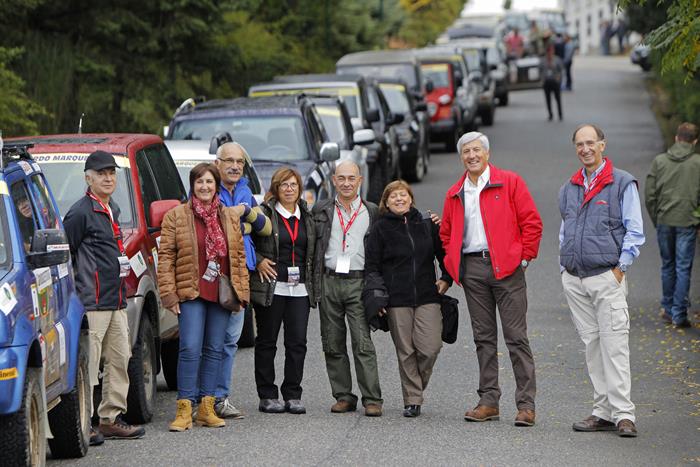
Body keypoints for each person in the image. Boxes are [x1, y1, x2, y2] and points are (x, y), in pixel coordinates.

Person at [439, 132, 542, 427]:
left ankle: (526, 405)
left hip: (508, 271)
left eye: (476, 150)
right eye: (466, 152)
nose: (471, 156)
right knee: (483, 338)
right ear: (462, 157)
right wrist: (453, 264)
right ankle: (488, 400)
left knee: (516, 337)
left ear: (486, 153)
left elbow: (532, 222)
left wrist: (523, 259)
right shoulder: (454, 193)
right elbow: (446, 234)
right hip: (473, 270)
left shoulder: (509, 182)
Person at [559, 124, 645, 438]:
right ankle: (603, 411)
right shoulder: (569, 186)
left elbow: (635, 231)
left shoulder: (621, 182)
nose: (585, 149)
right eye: (580, 144)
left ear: (602, 145)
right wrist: (562, 267)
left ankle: (624, 414)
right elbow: (565, 229)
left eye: (590, 143)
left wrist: (620, 269)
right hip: (575, 280)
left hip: (607, 276)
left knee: (615, 346)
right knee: (592, 347)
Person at [158, 162, 249, 432]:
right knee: (189, 348)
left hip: (220, 292)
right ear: (192, 186)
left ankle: (207, 408)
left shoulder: (229, 217)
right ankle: (185, 408)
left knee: (214, 349)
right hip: (191, 291)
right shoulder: (176, 216)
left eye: (209, 182)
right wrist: (169, 294)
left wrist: (241, 293)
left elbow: (239, 257)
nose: (205, 187)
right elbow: (165, 258)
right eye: (200, 182)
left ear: (216, 186)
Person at [63, 150, 145, 444]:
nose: (108, 178)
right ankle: (83, 423)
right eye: (101, 174)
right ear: (88, 178)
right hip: (92, 302)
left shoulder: (113, 208)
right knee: (89, 367)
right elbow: (66, 255)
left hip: (116, 299)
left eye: (112, 173)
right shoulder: (80, 212)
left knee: (121, 359)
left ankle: (110, 419)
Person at [365, 180, 451, 418]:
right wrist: (377, 296)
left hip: (427, 295)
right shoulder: (380, 228)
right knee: (406, 350)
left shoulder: (426, 223)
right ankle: (412, 399)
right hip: (396, 299)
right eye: (394, 196)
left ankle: (415, 388)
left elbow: (444, 253)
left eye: (403, 195)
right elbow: (372, 266)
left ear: (411, 198)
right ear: (386, 202)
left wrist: (446, 277)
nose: (399, 199)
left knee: (430, 347)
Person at [312, 161, 383, 416]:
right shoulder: (321, 210)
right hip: (329, 280)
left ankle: (372, 398)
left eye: (351, 178)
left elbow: (398, 222)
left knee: (362, 341)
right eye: (341, 178)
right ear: (333, 180)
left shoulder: (372, 211)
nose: (346, 183)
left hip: (358, 282)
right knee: (332, 342)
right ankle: (343, 395)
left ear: (360, 180)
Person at [212, 142, 271, 419]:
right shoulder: (208, 187)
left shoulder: (245, 189)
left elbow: (264, 226)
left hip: (242, 274)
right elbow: (218, 226)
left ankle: (221, 398)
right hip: (217, 274)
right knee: (211, 341)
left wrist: (244, 213)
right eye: (229, 161)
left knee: (231, 341)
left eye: (240, 162)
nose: (235, 166)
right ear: (217, 164)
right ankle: (206, 398)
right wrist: (247, 217)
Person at [252, 168, 316, 414]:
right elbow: (245, 241)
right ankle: (267, 394)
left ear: (299, 188)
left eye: (293, 185)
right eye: (284, 185)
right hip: (272, 287)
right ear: (276, 189)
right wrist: (257, 260)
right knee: (267, 342)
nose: (289, 189)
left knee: (297, 342)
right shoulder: (264, 215)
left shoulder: (307, 216)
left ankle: (293, 394)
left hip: (300, 288)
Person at [644, 122, 700, 328]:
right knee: (683, 267)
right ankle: (679, 313)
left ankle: (667, 309)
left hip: (665, 220)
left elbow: (650, 195)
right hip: (687, 221)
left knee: (668, 265)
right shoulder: (697, 163)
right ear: (695, 141)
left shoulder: (660, 161)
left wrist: (657, 218)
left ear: (677, 138)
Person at [541, 44, 564, 121]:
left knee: (558, 99)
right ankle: (550, 114)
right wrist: (542, 80)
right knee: (548, 99)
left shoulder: (557, 59)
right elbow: (540, 70)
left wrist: (559, 79)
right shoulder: (543, 60)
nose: (550, 53)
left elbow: (561, 70)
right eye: (548, 51)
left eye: (551, 51)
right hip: (547, 82)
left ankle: (560, 114)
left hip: (555, 81)